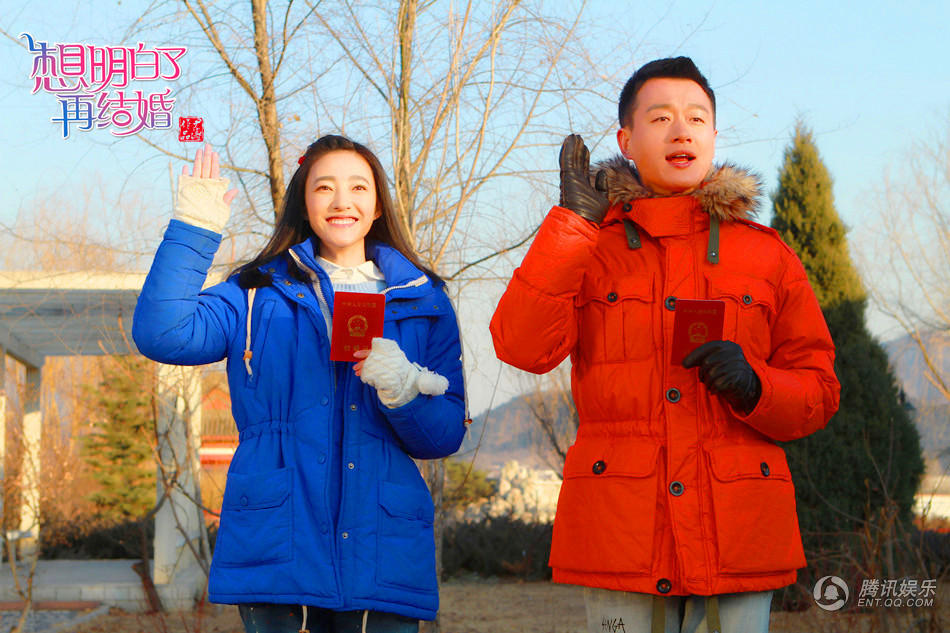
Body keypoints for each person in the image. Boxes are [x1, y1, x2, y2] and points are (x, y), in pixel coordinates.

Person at [489, 57, 840, 633]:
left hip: (738, 531)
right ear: (626, 140)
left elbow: (819, 391)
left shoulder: (767, 255)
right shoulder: (588, 245)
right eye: (660, 118)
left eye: (696, 118)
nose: (681, 131)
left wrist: (757, 386)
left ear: (713, 136)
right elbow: (521, 346)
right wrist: (572, 224)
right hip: (622, 531)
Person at [133, 135, 467, 633]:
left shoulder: (423, 300)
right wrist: (193, 229)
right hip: (278, 546)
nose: (342, 201)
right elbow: (162, 333)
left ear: (378, 205)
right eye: (324, 187)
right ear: (304, 202)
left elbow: (444, 436)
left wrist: (405, 392)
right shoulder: (256, 293)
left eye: (359, 187)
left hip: (383, 553)